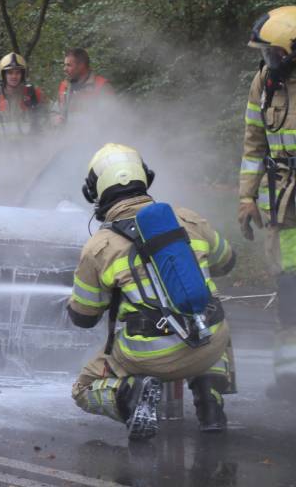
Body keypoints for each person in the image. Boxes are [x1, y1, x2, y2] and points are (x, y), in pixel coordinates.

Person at [69, 143, 235, 440]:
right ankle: (211, 400)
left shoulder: (99, 248)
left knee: (83, 388)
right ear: (145, 177)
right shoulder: (188, 218)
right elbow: (227, 260)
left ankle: (130, 398)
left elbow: (84, 316)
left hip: (149, 359)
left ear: (94, 192)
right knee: (214, 317)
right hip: (210, 346)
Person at [239, 5, 296, 391]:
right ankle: (288, 378)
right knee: (290, 292)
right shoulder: (264, 83)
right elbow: (253, 145)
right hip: (285, 204)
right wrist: (246, 198)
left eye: (273, 54)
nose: (268, 61)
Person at [0, 52, 45, 145]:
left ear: (22, 75)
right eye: (10, 73)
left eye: (17, 72)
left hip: (29, 152)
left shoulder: (34, 95)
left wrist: (42, 143)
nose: (14, 76)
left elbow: (46, 120)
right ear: (3, 75)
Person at [54, 48, 112, 124]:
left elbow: (112, 118)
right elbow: (55, 111)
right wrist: (55, 118)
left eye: (69, 65)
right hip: (68, 135)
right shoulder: (65, 86)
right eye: (65, 65)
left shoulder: (101, 86)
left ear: (81, 65)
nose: (64, 69)